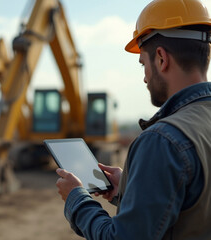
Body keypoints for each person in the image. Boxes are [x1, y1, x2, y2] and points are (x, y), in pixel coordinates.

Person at [55, 0, 211, 239]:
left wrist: (77, 198)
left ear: (161, 58)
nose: (145, 78)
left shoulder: (163, 141)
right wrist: (131, 188)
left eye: (142, 65)